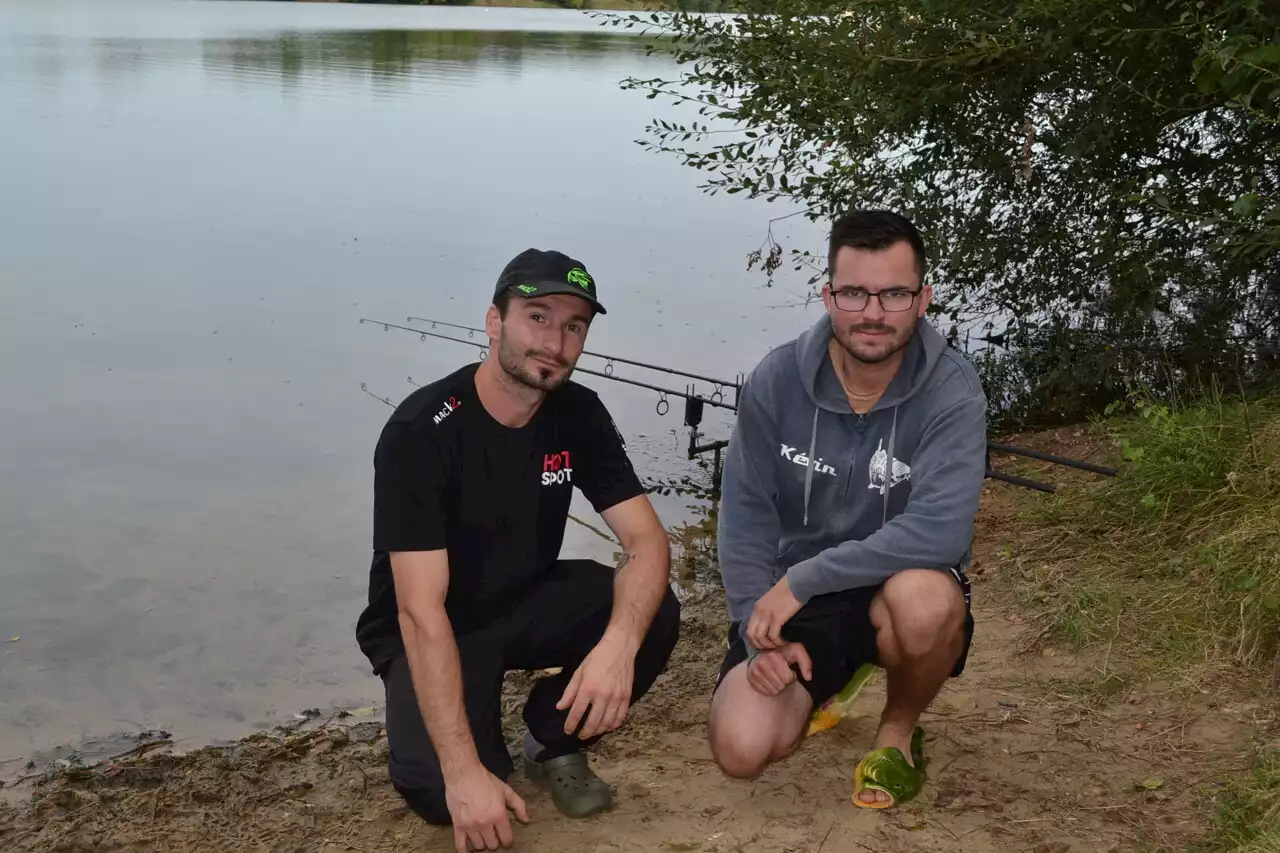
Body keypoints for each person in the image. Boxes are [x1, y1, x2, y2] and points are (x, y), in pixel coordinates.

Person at [355, 248, 681, 853]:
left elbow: (647, 543)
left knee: (653, 609)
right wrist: (461, 773)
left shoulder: (577, 411)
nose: (556, 342)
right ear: (494, 321)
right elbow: (419, 612)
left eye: (574, 326)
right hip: (437, 625)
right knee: (439, 795)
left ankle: (551, 737)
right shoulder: (420, 432)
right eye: (538, 316)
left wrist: (617, 647)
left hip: (524, 598)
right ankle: (460, 747)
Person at [707, 209, 988, 809]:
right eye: (856, 292)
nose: (873, 313)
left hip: (896, 581)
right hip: (797, 598)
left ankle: (897, 730)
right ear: (829, 294)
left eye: (894, 294)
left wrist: (805, 580)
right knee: (742, 750)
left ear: (923, 298)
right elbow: (746, 519)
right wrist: (760, 639)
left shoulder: (953, 390)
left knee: (925, 604)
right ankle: (831, 680)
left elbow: (941, 531)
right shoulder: (775, 380)